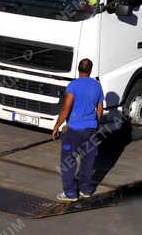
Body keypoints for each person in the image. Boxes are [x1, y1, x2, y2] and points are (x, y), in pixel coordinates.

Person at [52, 58, 104, 201]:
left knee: (68, 161)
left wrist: (57, 125)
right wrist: (96, 124)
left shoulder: (73, 85)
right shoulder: (97, 86)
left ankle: (70, 193)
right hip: (91, 129)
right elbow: (100, 108)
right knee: (88, 161)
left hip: (73, 130)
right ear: (90, 70)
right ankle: (86, 190)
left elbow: (66, 108)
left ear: (78, 69)